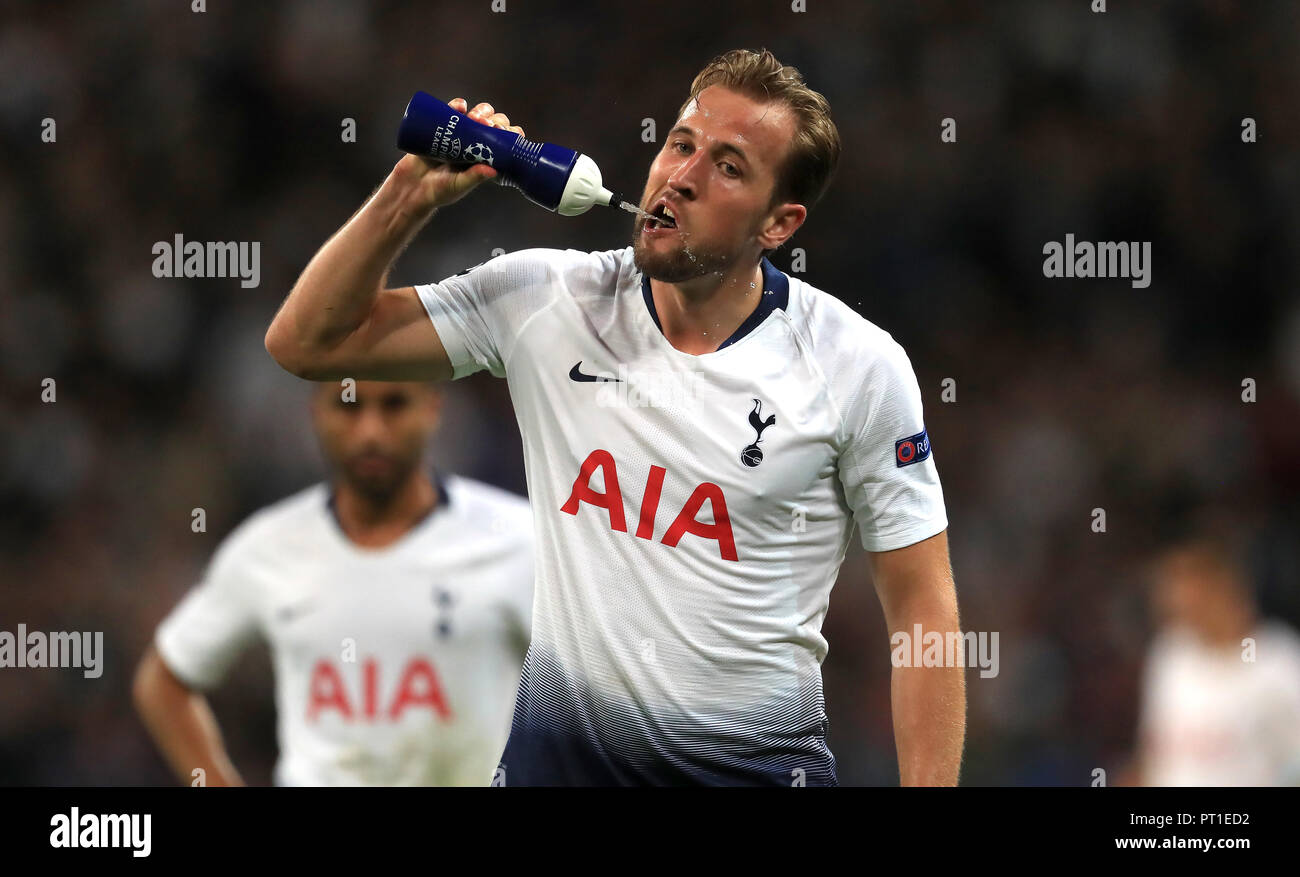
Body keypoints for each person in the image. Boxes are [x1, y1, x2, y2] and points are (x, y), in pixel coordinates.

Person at [264, 47, 964, 786]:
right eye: (680, 144)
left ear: (778, 223)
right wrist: (406, 198)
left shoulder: (858, 366)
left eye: (728, 167)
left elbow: (924, 608)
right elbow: (307, 342)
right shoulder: (544, 300)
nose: (682, 177)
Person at [133, 381, 534, 786]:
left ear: (432, 408)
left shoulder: (519, 539)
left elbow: (589, 696)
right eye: (349, 406)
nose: (372, 432)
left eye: (394, 405)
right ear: (315, 412)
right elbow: (164, 680)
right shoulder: (270, 547)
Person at [1134, 536, 1300, 786]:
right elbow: (1153, 754)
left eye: (1185, 580)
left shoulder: (1278, 661)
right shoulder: (1170, 653)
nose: (1171, 597)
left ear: (1224, 583)